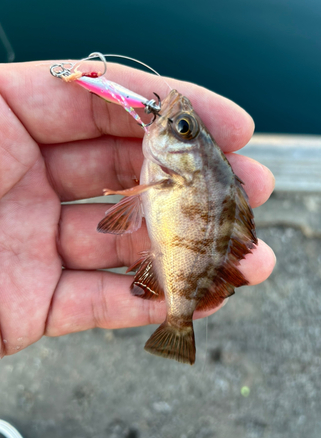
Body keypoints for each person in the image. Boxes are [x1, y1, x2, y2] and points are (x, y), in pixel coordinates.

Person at [0, 60, 276, 358]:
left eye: (183, 128)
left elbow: (129, 211)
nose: (176, 121)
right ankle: (179, 321)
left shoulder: (178, 175)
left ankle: (178, 323)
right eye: (184, 126)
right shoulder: (177, 175)